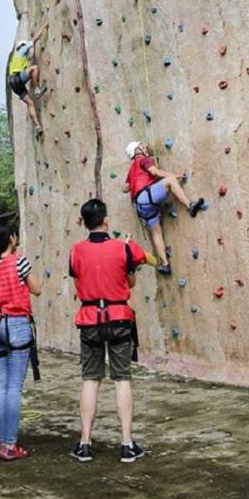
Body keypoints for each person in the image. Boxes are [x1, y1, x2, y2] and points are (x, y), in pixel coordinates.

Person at [68, 198, 153, 464]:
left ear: (84, 222)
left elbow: (79, 277)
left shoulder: (76, 251)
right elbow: (130, 282)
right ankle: (127, 444)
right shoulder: (123, 248)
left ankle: (84, 444)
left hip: (90, 319)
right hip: (118, 319)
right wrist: (129, 266)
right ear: (106, 221)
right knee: (122, 378)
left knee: (91, 379)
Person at [0, 221, 42, 462]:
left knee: (3, 385)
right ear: (11, 239)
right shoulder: (19, 262)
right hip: (16, 323)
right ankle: (9, 444)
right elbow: (36, 289)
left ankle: (4, 439)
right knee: (15, 386)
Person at [124, 141, 206, 274]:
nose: (146, 149)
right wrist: (175, 176)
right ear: (137, 151)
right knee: (170, 181)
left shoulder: (131, 169)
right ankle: (189, 206)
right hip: (146, 196)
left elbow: (125, 188)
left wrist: (135, 180)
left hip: (141, 207)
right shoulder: (143, 160)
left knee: (156, 232)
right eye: (143, 147)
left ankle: (165, 264)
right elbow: (154, 171)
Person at [7, 26, 47, 134]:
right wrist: (43, 27)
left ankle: (38, 126)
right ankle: (37, 89)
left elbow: (29, 57)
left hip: (13, 84)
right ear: (22, 46)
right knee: (34, 68)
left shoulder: (15, 59)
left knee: (30, 103)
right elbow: (34, 39)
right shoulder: (22, 50)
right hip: (17, 78)